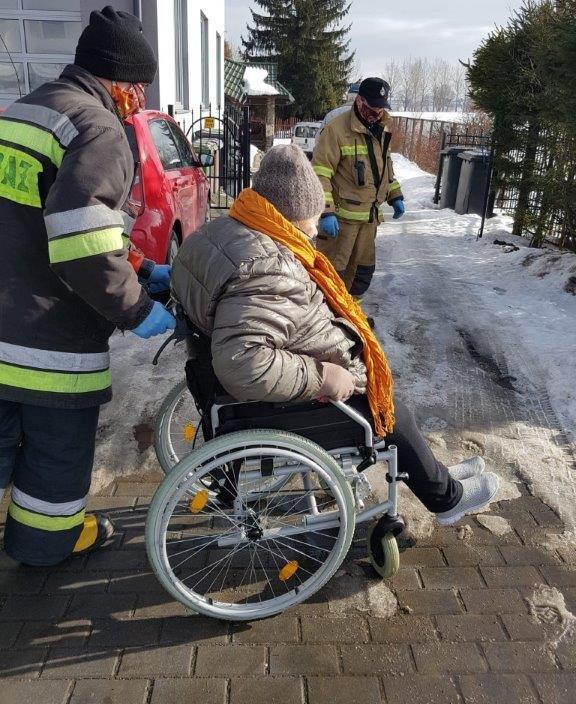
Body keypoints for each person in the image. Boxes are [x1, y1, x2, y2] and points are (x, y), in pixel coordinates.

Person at [171, 144, 499, 527]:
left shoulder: (224, 229)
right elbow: (244, 362)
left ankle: (433, 472)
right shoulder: (267, 267)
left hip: (243, 378)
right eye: (312, 219)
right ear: (288, 215)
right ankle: (445, 499)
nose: (315, 230)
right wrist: (325, 376)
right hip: (276, 402)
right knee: (391, 412)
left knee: (377, 370)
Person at [0, 6, 176, 566]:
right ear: (120, 81)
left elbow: (42, 218)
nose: (139, 101)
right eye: (139, 87)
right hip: (46, 340)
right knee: (55, 453)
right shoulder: (97, 130)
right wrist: (135, 306)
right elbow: (81, 245)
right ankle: (46, 543)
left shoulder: (25, 111)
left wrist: (139, 267)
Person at [312, 77, 405, 311]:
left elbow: (384, 168)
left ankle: (352, 316)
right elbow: (320, 173)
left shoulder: (382, 128)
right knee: (332, 275)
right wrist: (326, 212)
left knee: (362, 274)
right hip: (341, 224)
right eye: (372, 107)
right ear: (360, 101)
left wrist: (395, 195)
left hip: (369, 222)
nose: (377, 113)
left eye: (380, 107)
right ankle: (327, 319)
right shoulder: (336, 130)